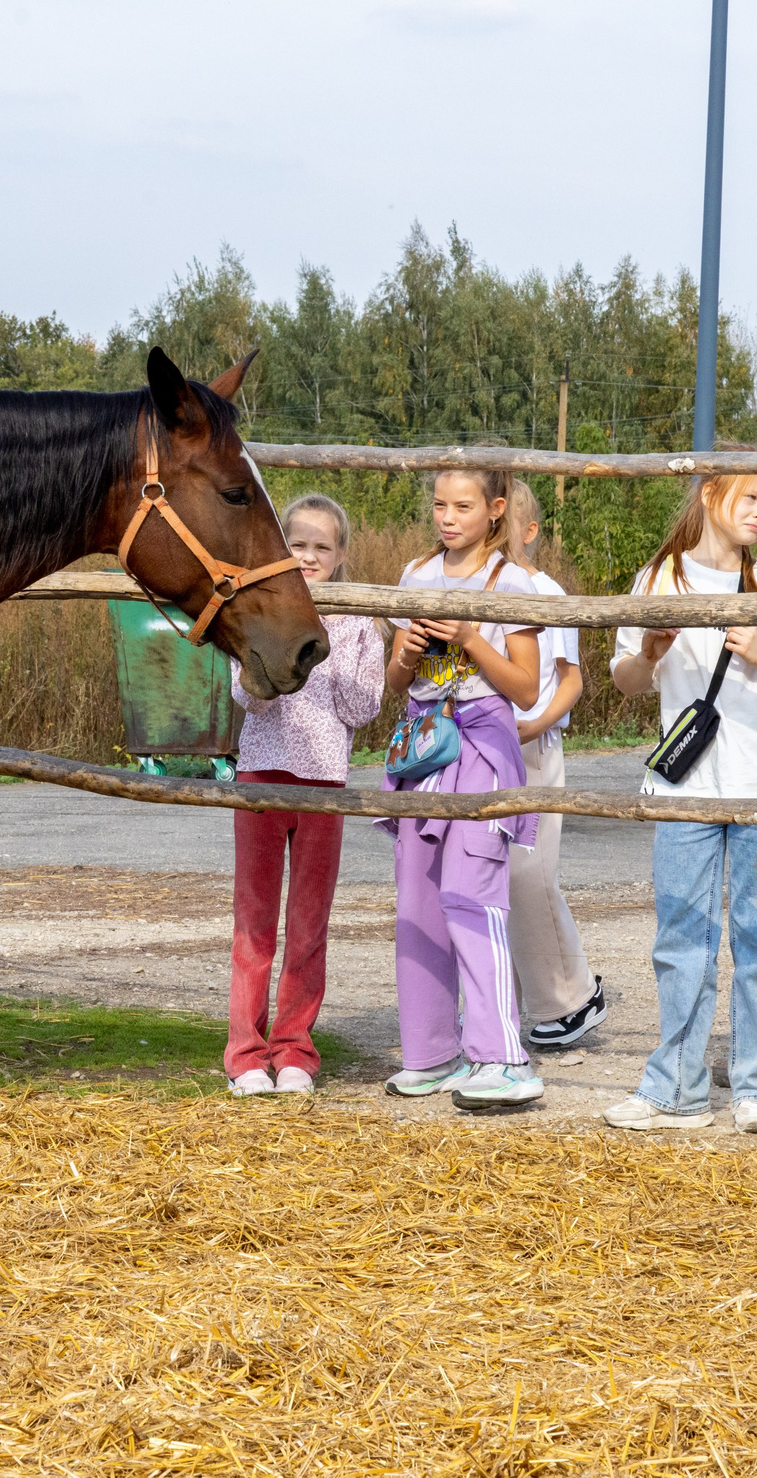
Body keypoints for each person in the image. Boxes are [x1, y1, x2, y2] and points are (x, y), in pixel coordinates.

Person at [605, 471, 757, 1135]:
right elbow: (626, 680)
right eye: (749, 497)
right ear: (709, 495)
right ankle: (676, 1087)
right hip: (688, 787)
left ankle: (756, 1085)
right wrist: (650, 653)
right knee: (681, 938)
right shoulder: (658, 580)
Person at [379, 463, 547, 1113]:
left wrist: (473, 637)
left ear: (496, 509)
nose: (447, 518)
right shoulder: (416, 574)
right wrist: (410, 649)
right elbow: (397, 681)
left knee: (470, 895)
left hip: (481, 745)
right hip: (423, 744)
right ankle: (431, 1053)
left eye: (463, 507)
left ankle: (503, 1058)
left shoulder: (515, 582)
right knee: (418, 899)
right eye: (439, 506)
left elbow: (526, 690)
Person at [223, 495, 385, 1095]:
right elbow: (249, 696)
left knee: (309, 923)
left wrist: (326, 645)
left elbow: (360, 707)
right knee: (254, 921)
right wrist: (284, 646)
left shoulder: (359, 622)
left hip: (325, 783)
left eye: (322, 546)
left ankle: (294, 1049)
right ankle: (245, 1053)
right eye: (298, 545)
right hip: (261, 778)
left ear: (340, 555)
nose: (310, 557)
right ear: (281, 547)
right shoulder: (260, 611)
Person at [502, 484, 606, 1051]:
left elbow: (572, 680)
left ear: (530, 531)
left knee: (530, 875)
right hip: (484, 747)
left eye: (506, 522)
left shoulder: (546, 593)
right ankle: (510, 1002)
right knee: (495, 878)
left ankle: (572, 996)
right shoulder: (475, 586)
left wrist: (535, 724)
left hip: (532, 746)